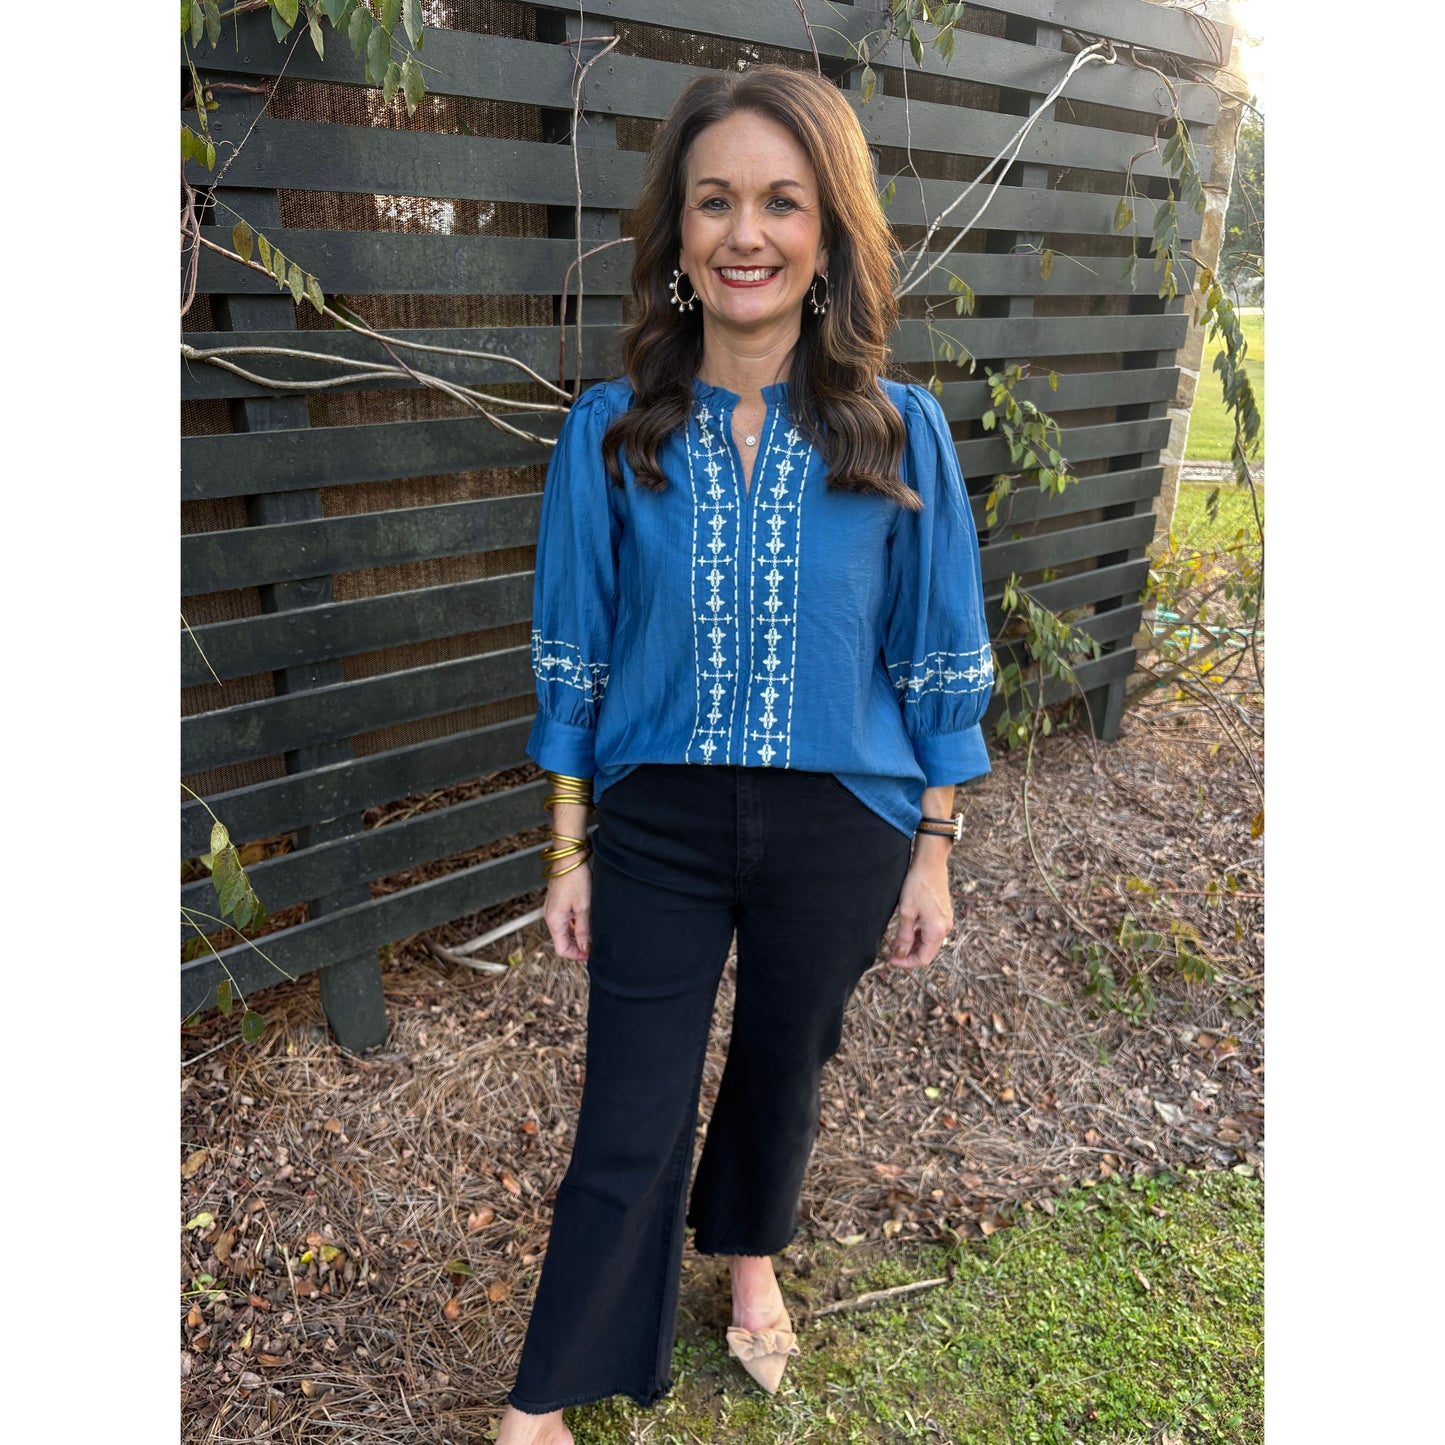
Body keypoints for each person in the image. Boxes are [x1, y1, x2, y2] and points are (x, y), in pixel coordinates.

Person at [495, 62, 993, 1444]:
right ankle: (540, 1403)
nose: (746, 233)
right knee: (628, 1109)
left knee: (785, 1060)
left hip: (845, 822)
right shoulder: (612, 434)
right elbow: (575, 655)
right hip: (657, 823)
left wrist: (934, 851)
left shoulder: (899, 434)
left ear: (828, 236)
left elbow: (938, 655)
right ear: (679, 235)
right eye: (714, 201)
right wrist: (567, 850)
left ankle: (753, 1258)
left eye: (782, 201)